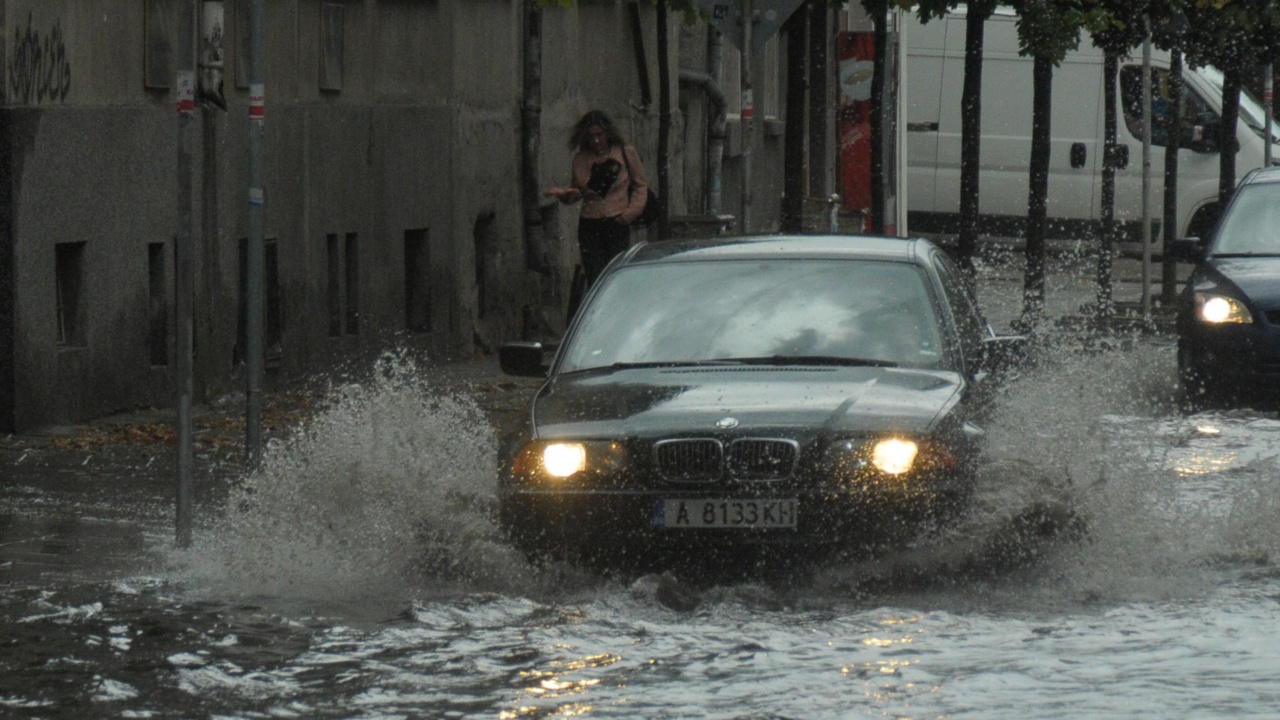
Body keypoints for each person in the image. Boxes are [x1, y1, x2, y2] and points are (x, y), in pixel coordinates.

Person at [545, 110, 649, 291]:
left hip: (617, 221)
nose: (596, 141)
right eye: (591, 136)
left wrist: (629, 214)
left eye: (599, 135)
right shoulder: (580, 159)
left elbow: (640, 186)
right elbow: (578, 192)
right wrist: (566, 195)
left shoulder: (625, 152)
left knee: (616, 273)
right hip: (590, 224)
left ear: (608, 133)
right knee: (595, 275)